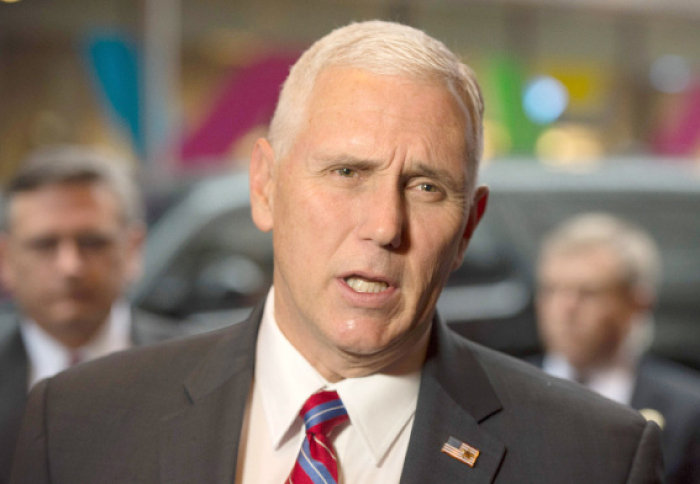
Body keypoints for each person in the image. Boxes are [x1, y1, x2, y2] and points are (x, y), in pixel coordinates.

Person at [10, 21, 663, 484]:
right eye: (348, 172)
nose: (384, 225)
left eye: (427, 186)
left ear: (468, 229)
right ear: (265, 187)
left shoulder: (597, 458)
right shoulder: (76, 423)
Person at [0, 145, 182, 483]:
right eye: (44, 244)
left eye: (92, 242)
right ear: (5, 258)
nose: (70, 266)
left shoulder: (202, 370)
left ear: (133, 249)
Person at [532, 212, 700, 484]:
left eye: (588, 292)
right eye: (551, 290)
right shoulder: (498, 391)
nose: (565, 309)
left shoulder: (689, 414)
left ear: (637, 304)